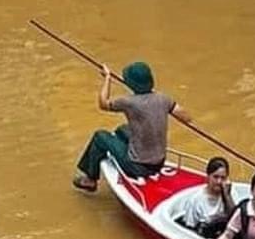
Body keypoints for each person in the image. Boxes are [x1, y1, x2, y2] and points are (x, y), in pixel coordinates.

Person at [71, 62, 181, 193]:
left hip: (137, 166)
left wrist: (107, 78)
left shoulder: (129, 102)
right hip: (159, 162)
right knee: (122, 129)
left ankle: (90, 179)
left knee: (100, 136)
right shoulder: (163, 98)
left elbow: (103, 103)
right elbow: (185, 116)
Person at [168, 156, 234, 237]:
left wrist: (227, 196)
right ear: (208, 176)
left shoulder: (230, 194)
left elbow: (235, 220)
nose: (219, 181)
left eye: (223, 178)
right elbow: (189, 229)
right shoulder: (195, 200)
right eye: (215, 177)